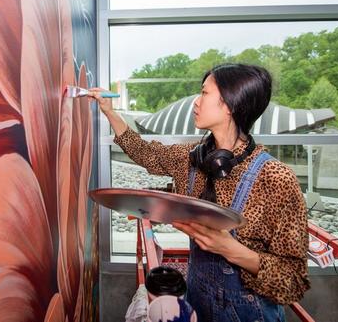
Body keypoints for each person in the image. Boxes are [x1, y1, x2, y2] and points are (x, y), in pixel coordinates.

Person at [88, 63, 310, 322]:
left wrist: (231, 249)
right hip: (197, 301)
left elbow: (293, 279)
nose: (196, 101)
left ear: (230, 105)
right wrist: (109, 112)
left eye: (204, 94)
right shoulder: (190, 159)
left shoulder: (276, 177)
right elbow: (144, 152)